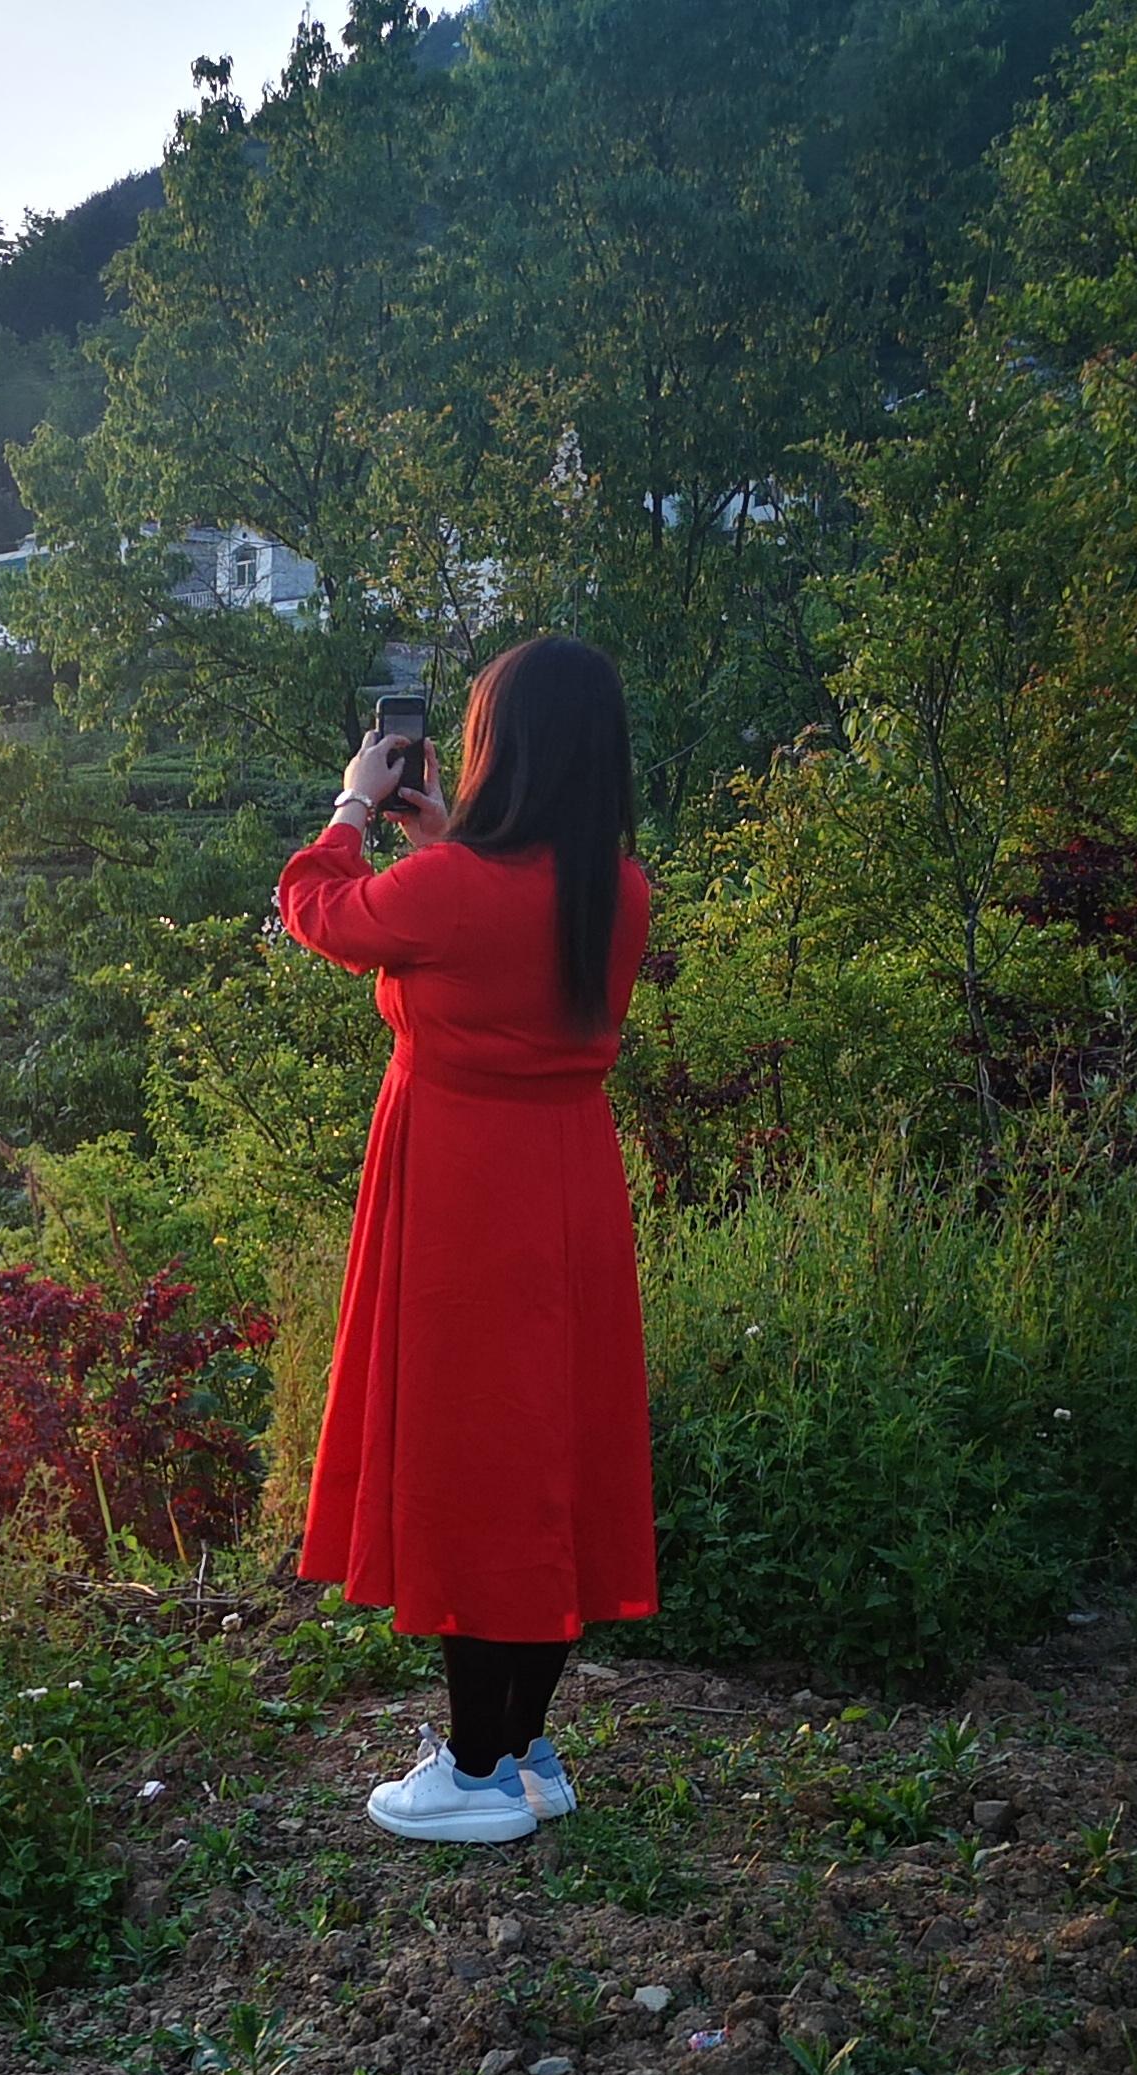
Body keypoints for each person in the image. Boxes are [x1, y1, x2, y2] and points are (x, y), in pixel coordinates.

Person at [274, 638, 659, 1844]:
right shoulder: (619, 887)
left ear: (505, 749)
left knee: (466, 1458)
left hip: (459, 1193)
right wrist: (442, 842)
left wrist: (351, 804)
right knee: (545, 1455)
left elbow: (317, 912)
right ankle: (528, 1749)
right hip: (568, 1186)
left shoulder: (453, 894)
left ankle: (480, 1768)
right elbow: (518, 935)